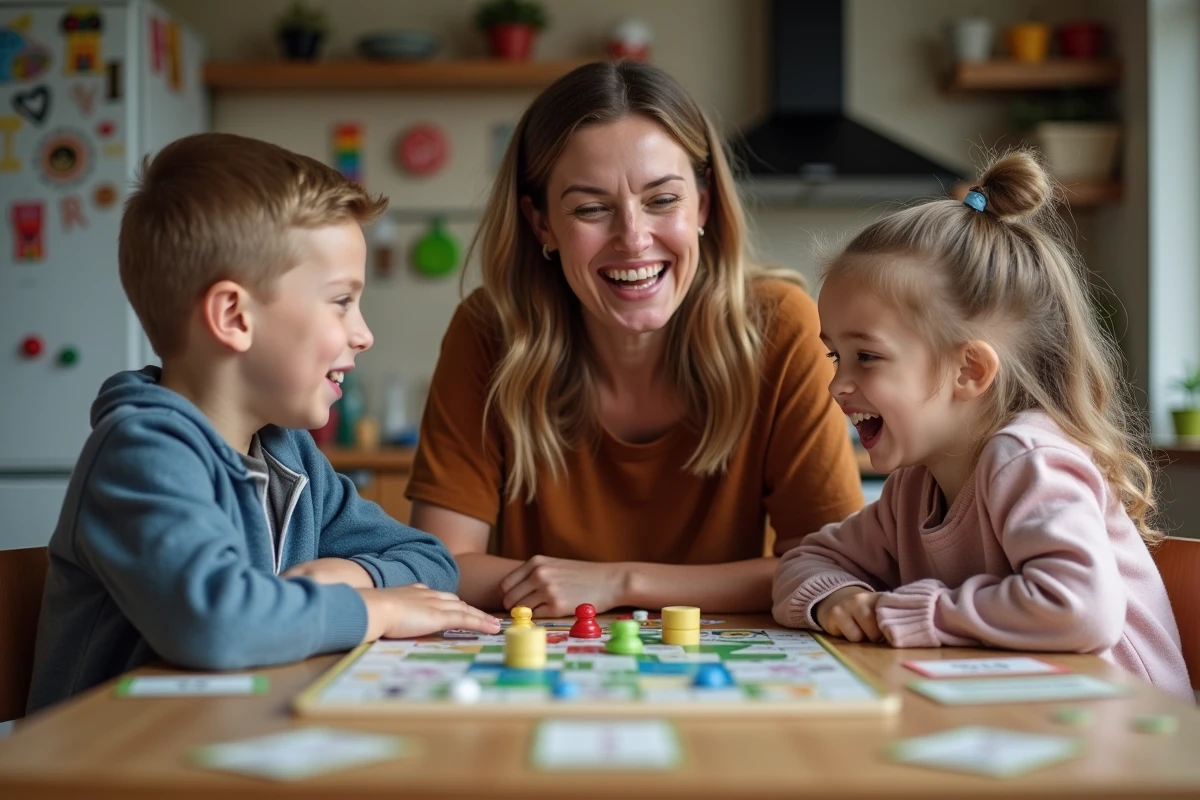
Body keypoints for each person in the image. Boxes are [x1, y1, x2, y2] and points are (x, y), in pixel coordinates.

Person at [27, 133, 500, 714]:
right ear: (234, 316)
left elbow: (432, 561)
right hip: (111, 768)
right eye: (341, 301)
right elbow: (218, 624)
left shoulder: (288, 455)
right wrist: (383, 608)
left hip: (229, 740)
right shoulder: (142, 453)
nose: (364, 333)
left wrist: (351, 571)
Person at [405, 61, 863, 617]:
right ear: (542, 223)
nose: (633, 238)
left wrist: (620, 583)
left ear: (704, 204)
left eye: (663, 200)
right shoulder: (489, 331)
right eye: (591, 208)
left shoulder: (781, 326)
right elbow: (440, 565)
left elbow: (830, 568)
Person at [772, 151, 1192, 701]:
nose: (837, 386)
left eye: (867, 358)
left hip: (1128, 744)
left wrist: (923, 612)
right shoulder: (915, 486)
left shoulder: (1028, 460)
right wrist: (837, 598)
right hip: (1028, 720)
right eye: (835, 357)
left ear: (969, 370)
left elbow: (1081, 609)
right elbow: (805, 561)